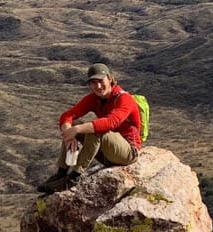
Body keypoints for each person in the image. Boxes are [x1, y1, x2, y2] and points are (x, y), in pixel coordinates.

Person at [37, 63, 141, 194]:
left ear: (109, 78)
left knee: (93, 129)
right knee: (75, 128)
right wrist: (69, 134)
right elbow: (67, 115)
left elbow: (111, 122)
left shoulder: (124, 99)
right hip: (107, 153)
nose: (98, 86)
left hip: (128, 152)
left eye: (101, 81)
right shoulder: (94, 99)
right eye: (93, 82)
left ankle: (74, 177)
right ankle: (61, 174)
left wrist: (76, 130)